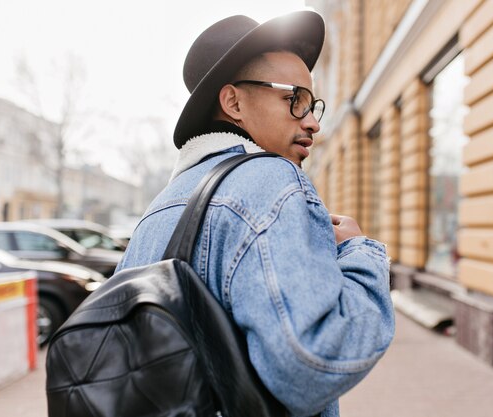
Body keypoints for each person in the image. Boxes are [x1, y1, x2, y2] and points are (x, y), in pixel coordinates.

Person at [116, 11, 395, 417]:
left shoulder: (158, 210)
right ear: (233, 102)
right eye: (293, 99)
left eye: (312, 104)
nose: (313, 122)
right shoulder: (271, 179)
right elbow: (313, 365)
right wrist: (359, 254)